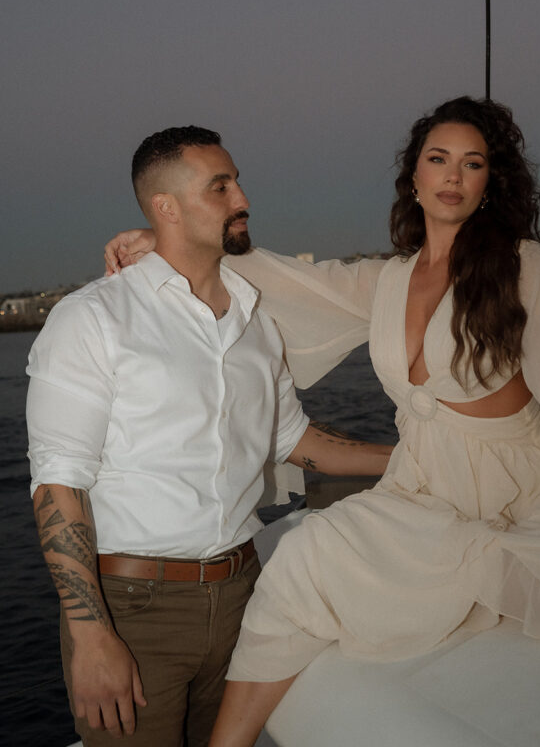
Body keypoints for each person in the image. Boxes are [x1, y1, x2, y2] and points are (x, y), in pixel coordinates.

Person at [104, 100, 540, 747]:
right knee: (301, 561)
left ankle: (482, 561)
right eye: (437, 159)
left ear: (491, 180)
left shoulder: (522, 267)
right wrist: (169, 243)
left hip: (527, 481)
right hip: (424, 485)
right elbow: (290, 284)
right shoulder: (390, 281)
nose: (453, 175)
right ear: (414, 178)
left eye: (472, 162)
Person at [27, 125, 392, 747]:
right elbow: (59, 483)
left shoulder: (254, 318)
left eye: (237, 181)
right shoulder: (92, 319)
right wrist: (91, 637)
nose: (241, 196)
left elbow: (294, 439)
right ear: (165, 208)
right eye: (220, 186)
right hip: (136, 612)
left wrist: (416, 457)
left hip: (245, 599)